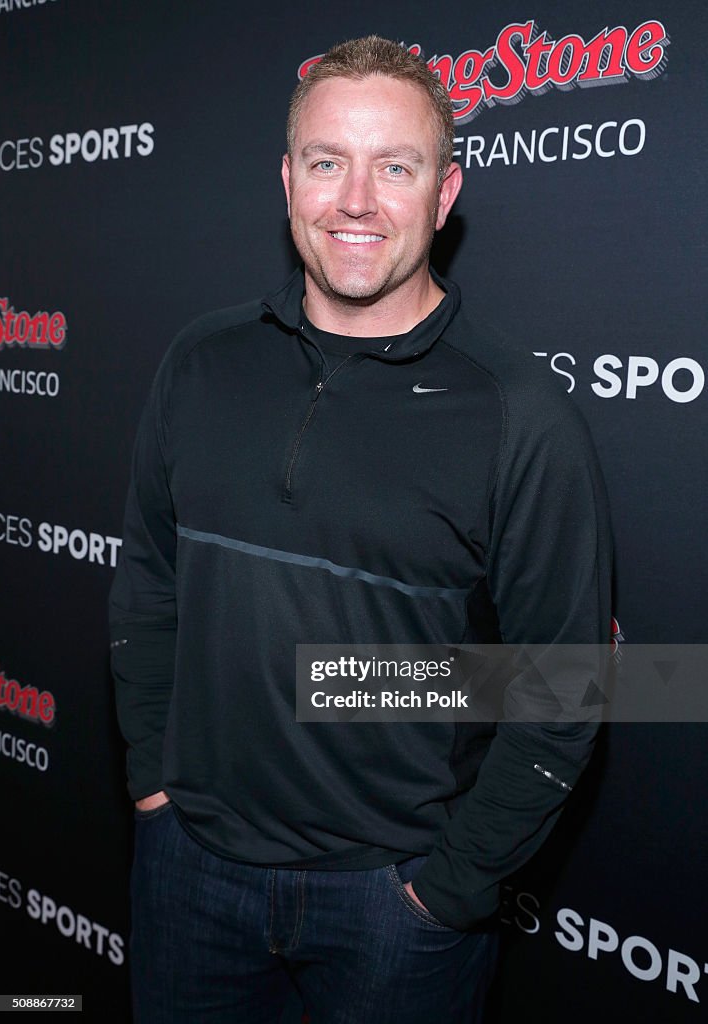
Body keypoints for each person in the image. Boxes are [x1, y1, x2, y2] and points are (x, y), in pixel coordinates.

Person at [110, 35, 612, 1024]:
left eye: (396, 166)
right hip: (189, 872)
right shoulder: (202, 363)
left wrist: (448, 891)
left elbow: (572, 683)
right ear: (288, 178)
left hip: (394, 910)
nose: (356, 200)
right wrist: (150, 784)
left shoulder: (519, 410)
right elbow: (149, 580)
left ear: (444, 190)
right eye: (329, 161)